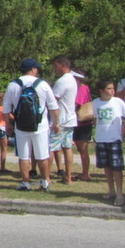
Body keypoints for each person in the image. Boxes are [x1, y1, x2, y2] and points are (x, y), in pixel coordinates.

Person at [3, 58, 59, 192]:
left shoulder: (13, 85)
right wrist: (56, 123)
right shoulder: (43, 84)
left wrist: (8, 124)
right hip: (40, 125)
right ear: (33, 69)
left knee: (24, 156)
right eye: (36, 68)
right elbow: (53, 107)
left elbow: (6, 108)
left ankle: (25, 182)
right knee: (42, 155)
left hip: (21, 125)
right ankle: (45, 182)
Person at [92, 80, 125, 206]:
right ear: (101, 90)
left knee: (117, 167)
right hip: (101, 139)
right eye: (109, 88)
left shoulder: (118, 102)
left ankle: (120, 193)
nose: (112, 91)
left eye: (113, 88)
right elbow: (95, 119)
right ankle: (111, 190)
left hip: (114, 139)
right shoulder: (95, 103)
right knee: (107, 167)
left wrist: (123, 129)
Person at [50, 56, 78, 184]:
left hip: (60, 120)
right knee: (67, 147)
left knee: (50, 147)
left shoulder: (62, 81)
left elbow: (53, 100)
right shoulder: (72, 79)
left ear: (63, 65)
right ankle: (68, 176)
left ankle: (46, 177)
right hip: (70, 119)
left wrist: (54, 121)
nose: (54, 69)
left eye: (56, 66)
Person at [72, 69, 94, 181]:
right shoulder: (80, 88)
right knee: (81, 149)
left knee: (83, 149)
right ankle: (84, 172)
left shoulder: (82, 88)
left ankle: (85, 173)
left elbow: (77, 103)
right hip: (79, 122)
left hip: (83, 123)